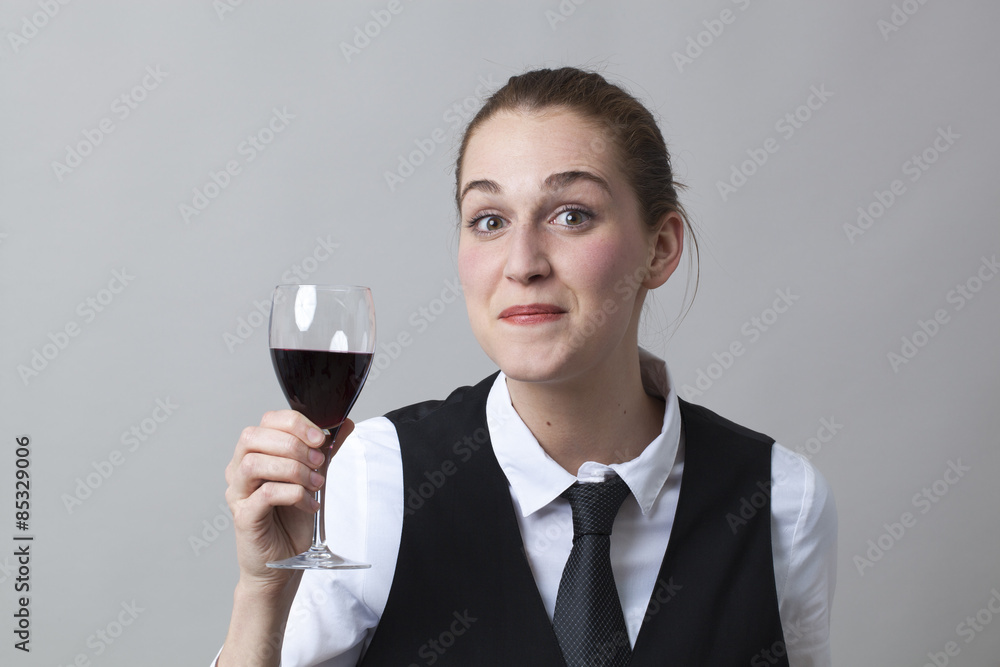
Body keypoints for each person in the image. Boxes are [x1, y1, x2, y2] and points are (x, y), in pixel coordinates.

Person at [215, 67, 836, 666]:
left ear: (660, 247)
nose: (522, 263)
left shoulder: (782, 501)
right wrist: (263, 595)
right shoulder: (373, 480)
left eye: (572, 215)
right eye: (489, 220)